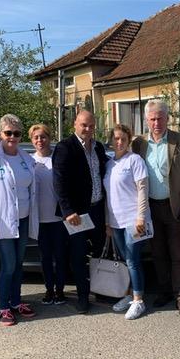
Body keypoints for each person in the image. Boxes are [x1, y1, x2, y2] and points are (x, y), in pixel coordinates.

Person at [132, 99, 180, 318]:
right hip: (151, 207)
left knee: (178, 254)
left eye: (160, 118)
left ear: (167, 118)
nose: (156, 123)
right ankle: (164, 290)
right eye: (152, 119)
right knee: (158, 252)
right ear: (146, 120)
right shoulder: (139, 144)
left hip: (174, 206)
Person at [0, 114, 38, 326]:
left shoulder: (26, 158)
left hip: (23, 218)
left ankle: (16, 301)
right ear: (0, 134)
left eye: (17, 133)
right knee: (9, 264)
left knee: (19, 263)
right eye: (8, 133)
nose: (12, 137)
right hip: (2, 221)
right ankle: (4, 306)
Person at [52, 111, 108, 314]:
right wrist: (68, 211)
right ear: (75, 124)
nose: (88, 129)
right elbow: (59, 181)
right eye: (84, 125)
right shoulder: (65, 147)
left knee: (99, 251)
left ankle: (100, 290)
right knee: (78, 255)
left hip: (97, 209)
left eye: (91, 126)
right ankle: (83, 297)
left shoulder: (98, 147)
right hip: (77, 214)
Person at [103, 124, 150, 320]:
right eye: (116, 138)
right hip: (116, 221)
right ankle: (130, 295)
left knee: (132, 260)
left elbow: (143, 190)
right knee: (125, 260)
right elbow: (109, 196)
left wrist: (141, 217)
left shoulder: (135, 160)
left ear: (129, 140)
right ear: (111, 141)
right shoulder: (109, 164)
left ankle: (139, 300)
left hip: (133, 220)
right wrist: (107, 222)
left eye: (123, 138)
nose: (119, 142)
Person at [30, 123, 68, 305]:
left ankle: (60, 290)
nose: (40, 140)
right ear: (32, 140)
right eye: (36, 137)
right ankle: (49, 290)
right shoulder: (29, 161)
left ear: (49, 138)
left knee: (60, 257)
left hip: (59, 218)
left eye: (43, 137)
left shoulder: (58, 158)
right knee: (45, 258)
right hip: (39, 219)